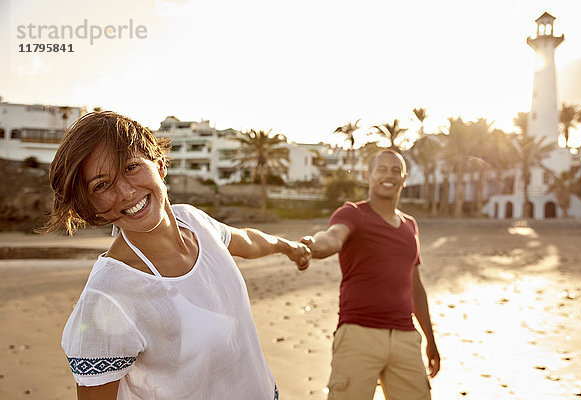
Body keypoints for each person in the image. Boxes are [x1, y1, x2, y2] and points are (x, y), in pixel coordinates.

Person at [43, 111, 311, 400]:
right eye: (101, 185)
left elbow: (247, 241)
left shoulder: (193, 221)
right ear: (91, 206)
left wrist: (289, 247)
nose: (125, 191)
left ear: (159, 166)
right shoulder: (108, 296)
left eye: (131, 167)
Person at [300, 149, 440, 400]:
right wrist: (311, 247)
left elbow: (415, 287)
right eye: (382, 169)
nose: (389, 175)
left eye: (396, 170)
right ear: (368, 176)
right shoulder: (353, 213)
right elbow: (332, 238)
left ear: (404, 178)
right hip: (358, 334)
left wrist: (430, 339)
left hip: (405, 337)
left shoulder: (410, 225)